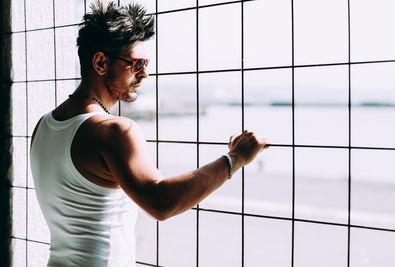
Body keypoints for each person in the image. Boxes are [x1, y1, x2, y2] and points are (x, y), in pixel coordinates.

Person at [30, 1, 269, 266]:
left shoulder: (43, 126)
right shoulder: (115, 131)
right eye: (136, 63)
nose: (145, 73)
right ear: (100, 62)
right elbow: (161, 202)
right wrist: (235, 158)